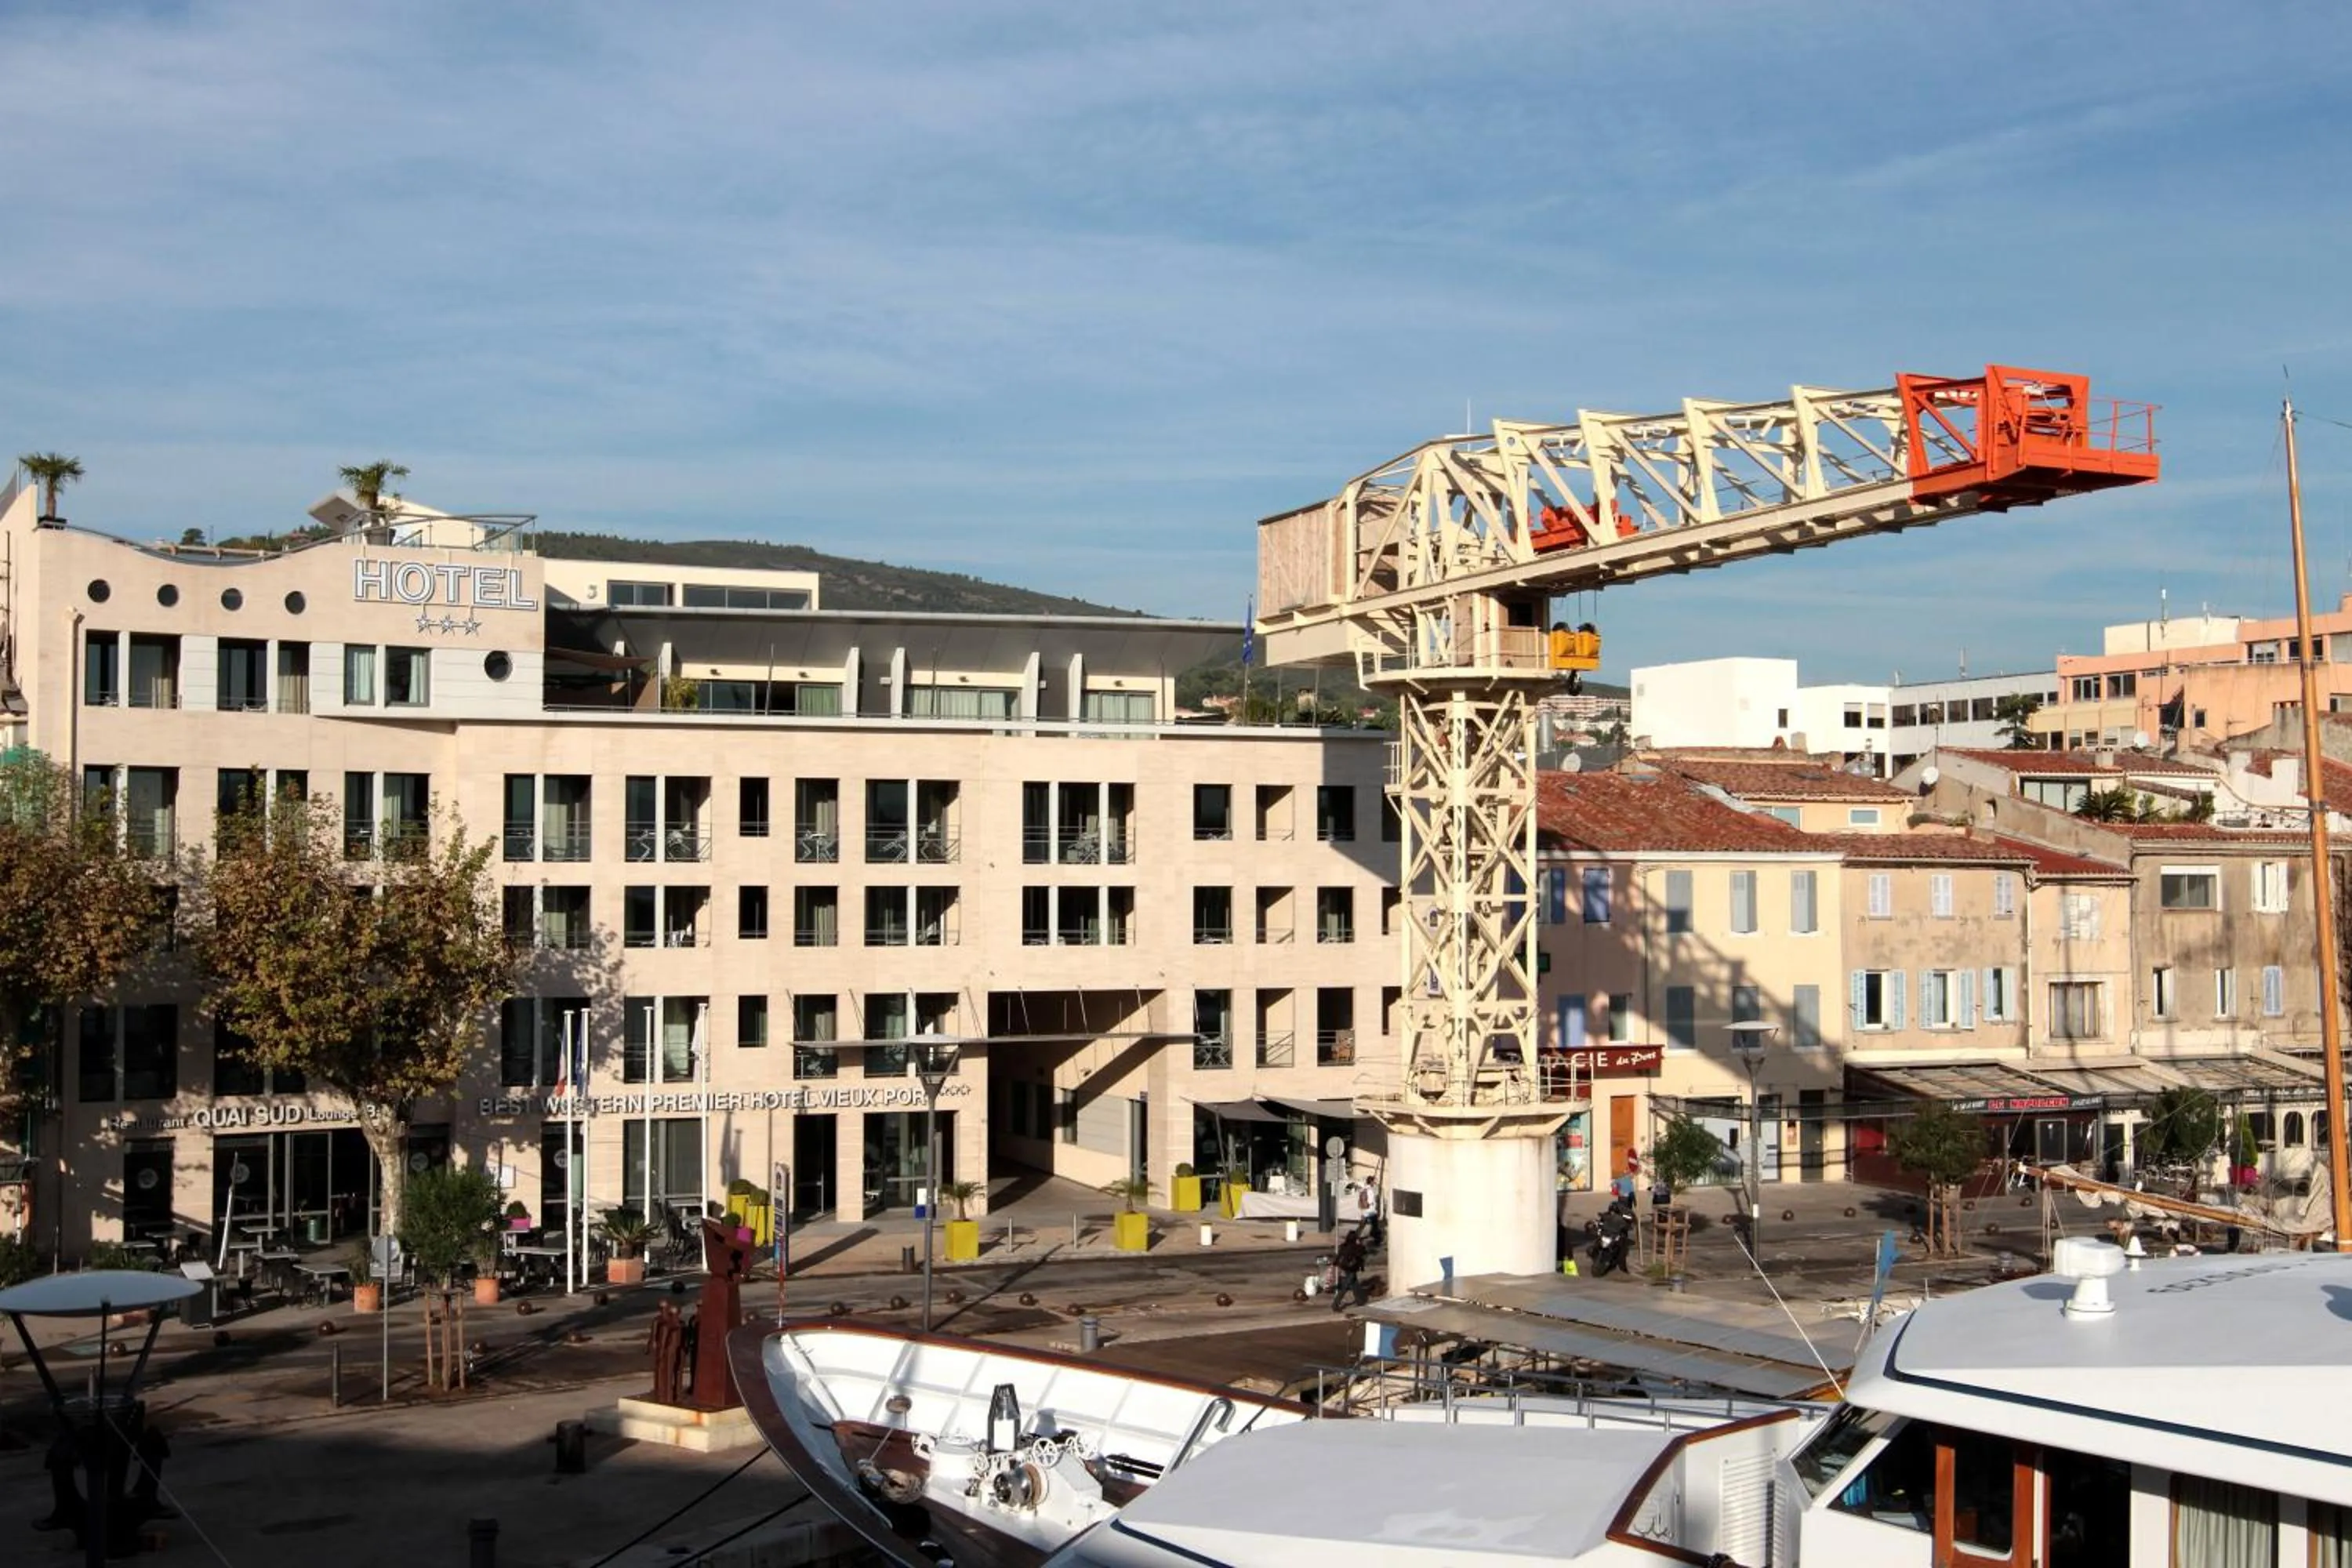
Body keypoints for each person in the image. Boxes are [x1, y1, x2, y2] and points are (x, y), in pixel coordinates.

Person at [1330, 1227, 1368, 1312]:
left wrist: (1335, 1264)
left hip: (1345, 1267)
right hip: (1351, 1268)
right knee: (1345, 1287)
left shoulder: (1344, 1245)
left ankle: (1360, 1301)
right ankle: (1335, 1304)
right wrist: (1360, 1244)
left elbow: (1339, 1255)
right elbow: (1363, 1252)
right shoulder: (1356, 1247)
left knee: (1355, 1284)